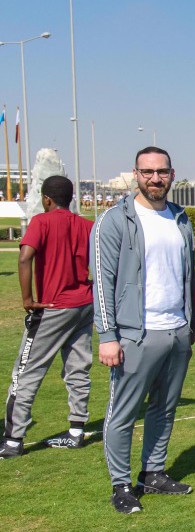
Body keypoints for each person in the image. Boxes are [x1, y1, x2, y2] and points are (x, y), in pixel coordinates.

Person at [93, 147, 195, 515]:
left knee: (164, 410)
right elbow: (102, 282)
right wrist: (108, 336)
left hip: (176, 331)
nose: (156, 178)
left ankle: (153, 472)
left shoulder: (180, 219)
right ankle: (121, 484)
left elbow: (186, 275)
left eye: (162, 172)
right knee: (123, 412)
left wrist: (191, 326)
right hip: (134, 334)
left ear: (172, 174)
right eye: (148, 172)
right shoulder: (115, 220)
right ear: (135, 174)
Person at [1, 176, 94, 459]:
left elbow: (24, 257)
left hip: (53, 306)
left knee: (27, 370)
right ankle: (76, 431)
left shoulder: (42, 221)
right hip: (84, 304)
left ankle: (13, 440)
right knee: (78, 367)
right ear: (72, 197)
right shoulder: (86, 225)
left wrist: (28, 299)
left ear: (46, 199)